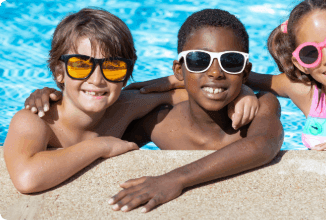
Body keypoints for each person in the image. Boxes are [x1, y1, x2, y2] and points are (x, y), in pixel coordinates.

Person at [20, 8, 284, 213]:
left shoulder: (263, 105)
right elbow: (96, 127)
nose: (215, 72)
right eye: (198, 60)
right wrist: (52, 94)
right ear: (179, 70)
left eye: (231, 62)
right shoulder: (157, 123)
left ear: (245, 71)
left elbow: (263, 145)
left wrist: (175, 179)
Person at [123, 0, 326, 158]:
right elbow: (237, 74)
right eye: (311, 53)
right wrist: (177, 79)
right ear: (300, 62)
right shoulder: (304, 91)